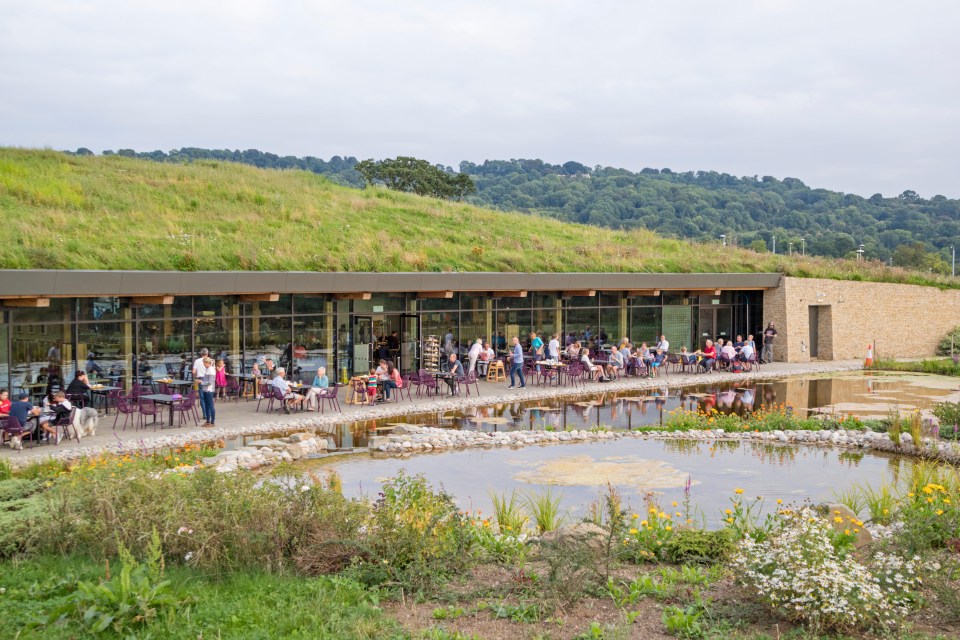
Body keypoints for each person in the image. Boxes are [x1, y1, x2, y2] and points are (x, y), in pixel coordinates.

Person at [199, 356, 217, 427]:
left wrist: (201, 382)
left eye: (204, 363)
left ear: (207, 363)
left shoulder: (211, 370)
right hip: (206, 389)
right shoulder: (208, 369)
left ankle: (212, 422)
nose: (203, 365)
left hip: (209, 390)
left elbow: (210, 382)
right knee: (207, 406)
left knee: (210, 406)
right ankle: (208, 421)